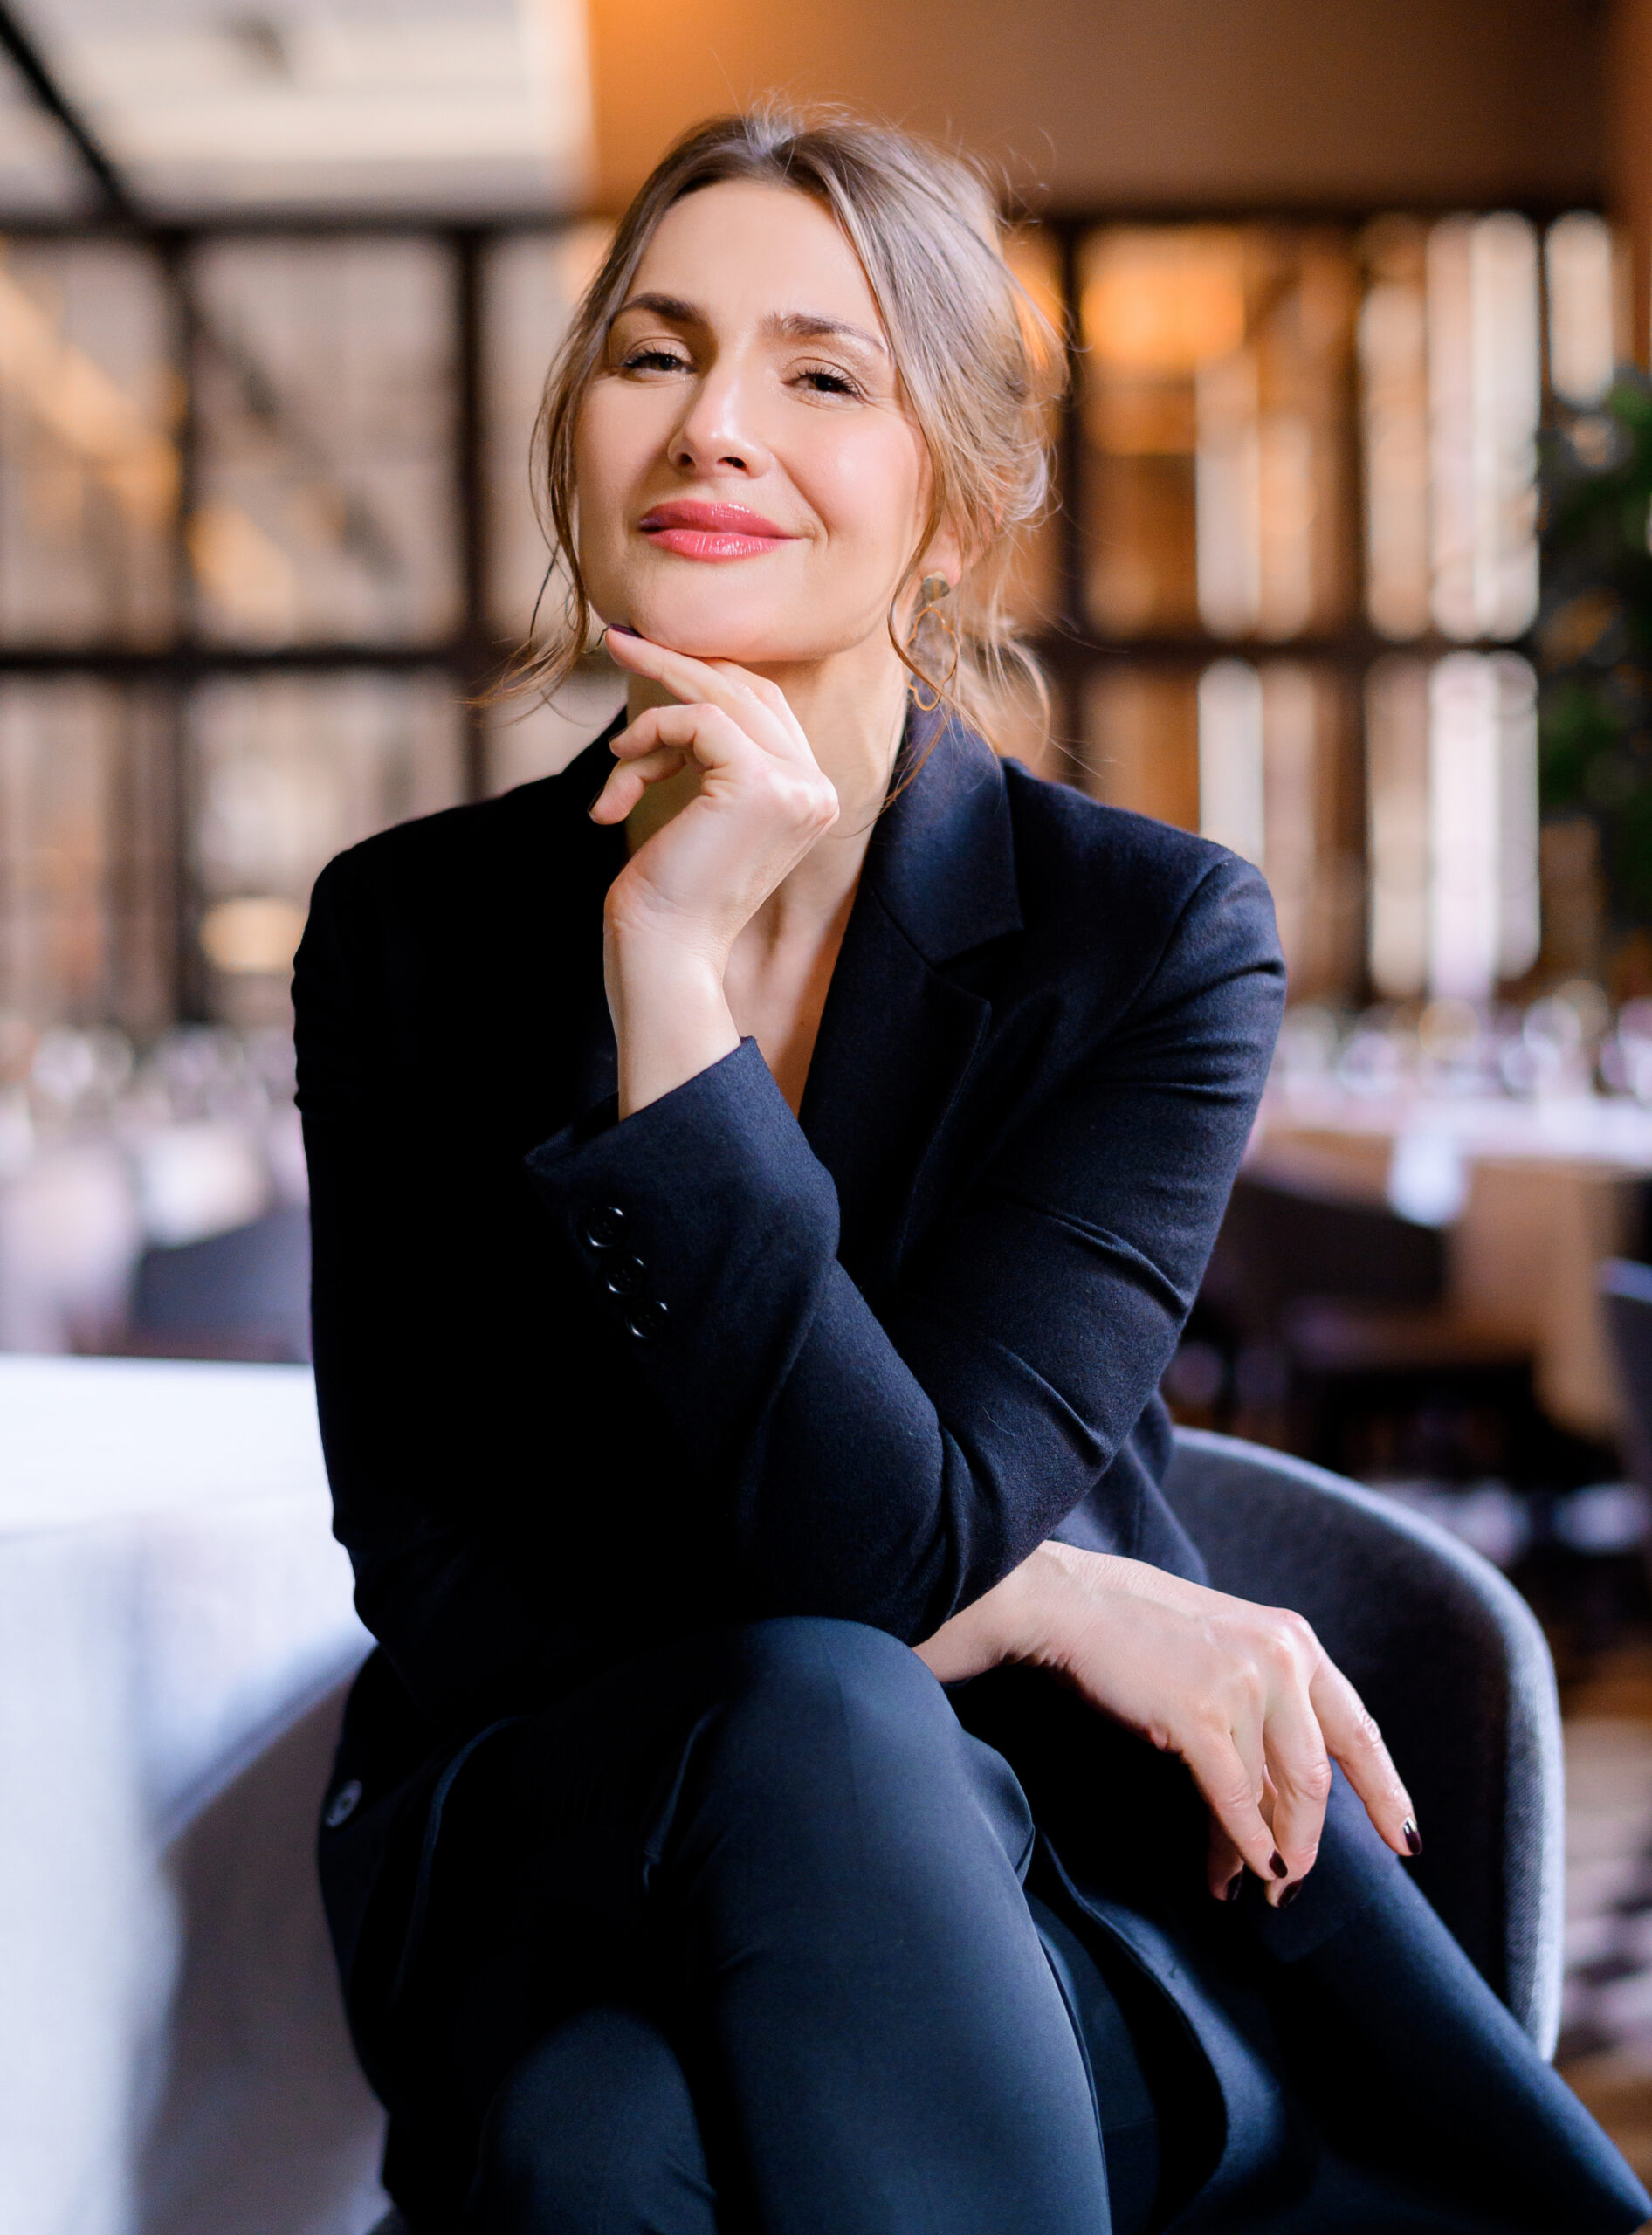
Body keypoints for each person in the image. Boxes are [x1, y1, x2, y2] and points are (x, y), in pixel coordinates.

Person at [294, 107, 1649, 2235]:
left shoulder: (1146, 937)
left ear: (956, 502)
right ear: (577, 425)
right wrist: (1060, 1588)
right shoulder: (413, 933)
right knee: (812, 1697)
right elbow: (447, 1584)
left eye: (822, 375)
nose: (713, 424)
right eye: (655, 355)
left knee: (598, 2143)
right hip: (544, 1841)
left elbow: (877, 1543)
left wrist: (670, 1007)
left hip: (1031, 1890)